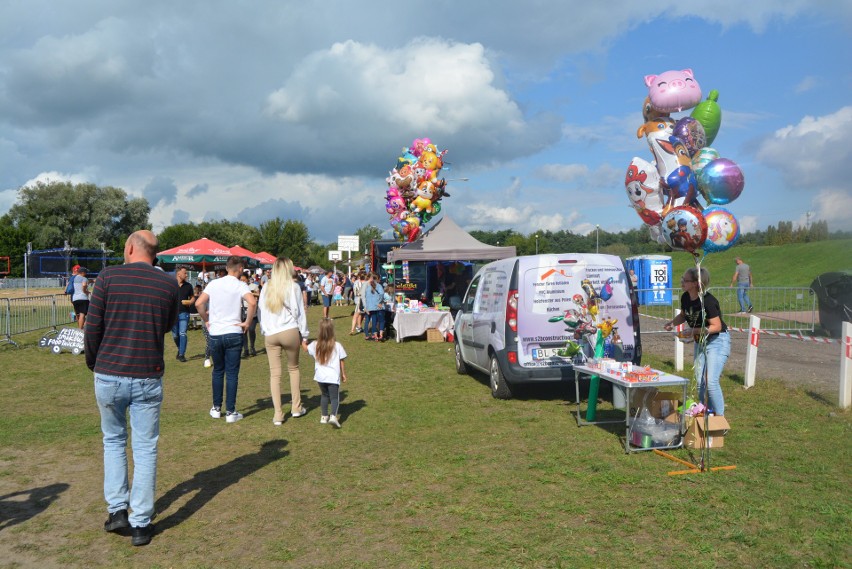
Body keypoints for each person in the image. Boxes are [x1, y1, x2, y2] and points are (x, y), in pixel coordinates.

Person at [84, 230, 179, 547]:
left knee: (113, 441)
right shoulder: (167, 283)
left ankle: (118, 511)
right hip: (147, 374)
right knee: (145, 447)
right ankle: (140, 522)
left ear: (129, 248)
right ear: (155, 253)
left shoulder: (107, 277)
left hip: (109, 372)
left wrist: (94, 362)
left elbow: (93, 326)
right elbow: (167, 325)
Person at [195, 256, 256, 423]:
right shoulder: (240, 285)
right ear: (240, 268)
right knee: (232, 373)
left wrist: (206, 320)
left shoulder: (214, 283)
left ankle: (216, 408)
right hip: (234, 331)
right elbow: (252, 303)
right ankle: (230, 411)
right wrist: (248, 322)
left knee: (218, 371)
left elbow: (199, 303)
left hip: (216, 332)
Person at [664, 266, 730, 416]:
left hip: (717, 340)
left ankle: (719, 420)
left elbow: (716, 326)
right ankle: (703, 413)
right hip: (701, 340)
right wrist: (672, 323)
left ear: (695, 283)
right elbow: (684, 315)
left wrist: (693, 331)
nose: (682, 282)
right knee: (700, 382)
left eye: (685, 280)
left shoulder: (708, 301)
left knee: (711, 382)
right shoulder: (685, 297)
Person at [259, 256, 310, 425]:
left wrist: (264, 330)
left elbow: (261, 311)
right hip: (289, 330)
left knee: (275, 374)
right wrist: (304, 334)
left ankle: (278, 414)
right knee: (293, 369)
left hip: (271, 333)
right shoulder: (294, 287)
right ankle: (296, 407)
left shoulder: (266, 287)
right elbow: (299, 312)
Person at [307, 318, 348, 428]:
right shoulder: (337, 345)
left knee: (324, 395)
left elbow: (306, 348)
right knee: (334, 398)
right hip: (333, 377)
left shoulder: (315, 344)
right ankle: (333, 416)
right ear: (332, 331)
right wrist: (343, 374)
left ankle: (324, 416)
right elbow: (341, 360)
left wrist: (302, 340)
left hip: (320, 377)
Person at [171, 267, 194, 362]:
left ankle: (181, 354)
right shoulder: (171, 285)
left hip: (184, 312)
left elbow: (192, 298)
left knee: (182, 333)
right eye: (185, 273)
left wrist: (189, 302)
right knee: (175, 335)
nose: (187, 275)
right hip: (173, 314)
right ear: (178, 274)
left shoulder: (188, 286)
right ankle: (180, 349)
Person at [240, 273, 260, 358]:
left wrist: (252, 294)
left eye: (244, 280)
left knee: (251, 329)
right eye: (241, 280)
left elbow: (259, 295)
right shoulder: (238, 287)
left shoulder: (254, 286)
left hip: (252, 310)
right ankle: (246, 349)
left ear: (248, 279)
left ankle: (252, 347)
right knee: (244, 331)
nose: (243, 281)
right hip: (242, 310)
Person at [363, 273, 385, 341]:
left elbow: (366, 297)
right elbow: (382, 294)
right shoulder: (379, 286)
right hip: (377, 306)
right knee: (378, 321)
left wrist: (366, 307)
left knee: (371, 321)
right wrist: (379, 302)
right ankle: (378, 334)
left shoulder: (368, 287)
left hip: (369, 307)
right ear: (377, 279)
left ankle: (373, 335)